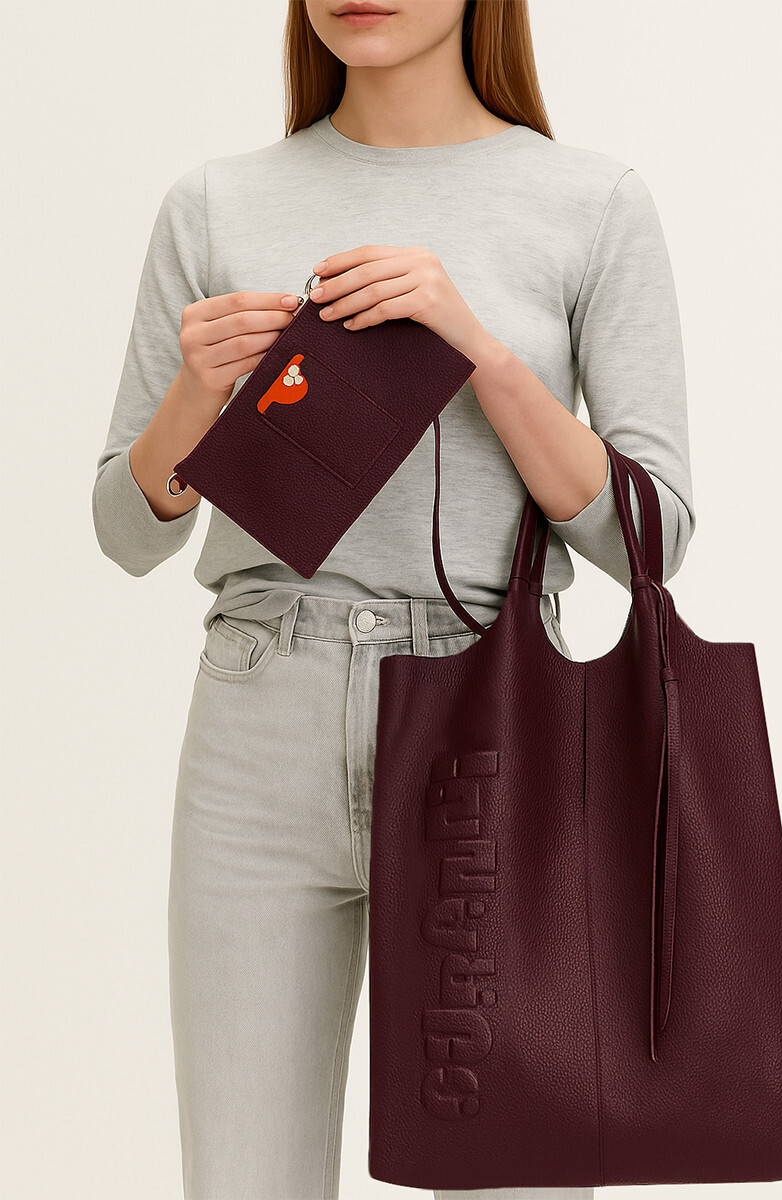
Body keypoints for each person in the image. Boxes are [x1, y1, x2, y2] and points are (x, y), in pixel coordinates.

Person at [91, 1, 696, 1196]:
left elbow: (652, 535)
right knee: (244, 1179)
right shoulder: (216, 203)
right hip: (261, 713)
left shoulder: (591, 203)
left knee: (518, 1172)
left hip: (495, 716)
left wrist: (482, 353)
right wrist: (194, 402)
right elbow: (124, 533)